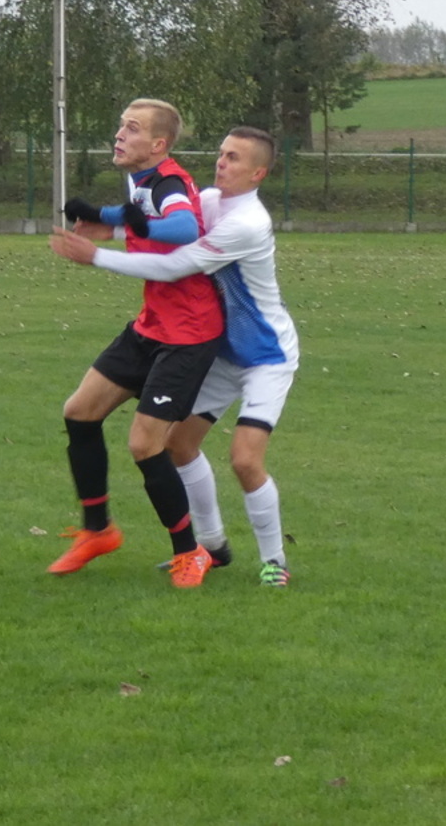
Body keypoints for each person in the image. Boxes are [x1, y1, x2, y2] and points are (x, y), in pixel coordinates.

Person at [51, 126, 299, 587]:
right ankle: (212, 547)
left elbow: (174, 266)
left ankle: (274, 561)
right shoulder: (211, 201)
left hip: (266, 357)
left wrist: (97, 255)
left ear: (258, 173)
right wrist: (115, 227)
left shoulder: (249, 223)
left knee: (245, 460)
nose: (221, 162)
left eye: (234, 158)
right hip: (222, 352)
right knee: (178, 445)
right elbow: (165, 227)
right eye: (222, 153)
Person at [46, 99, 223, 588]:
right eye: (121, 125)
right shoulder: (141, 181)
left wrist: (113, 222)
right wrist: (115, 223)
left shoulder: (167, 182)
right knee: (79, 412)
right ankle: (98, 530)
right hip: (152, 325)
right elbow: (147, 224)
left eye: (133, 128)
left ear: (159, 144)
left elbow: (184, 226)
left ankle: (190, 553)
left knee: (145, 444)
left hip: (188, 335)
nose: (120, 135)